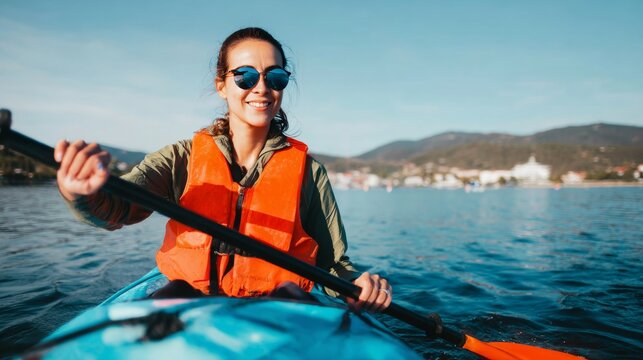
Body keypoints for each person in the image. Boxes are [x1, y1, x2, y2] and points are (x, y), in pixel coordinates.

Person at [54, 27, 392, 312]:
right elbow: (117, 208)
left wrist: (357, 284)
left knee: (292, 297)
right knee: (171, 295)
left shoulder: (309, 172)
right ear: (222, 85)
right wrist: (81, 194)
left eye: (275, 76)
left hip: (279, 307)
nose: (261, 87)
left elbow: (333, 266)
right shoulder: (180, 159)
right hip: (188, 300)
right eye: (245, 76)